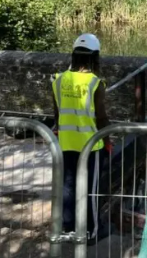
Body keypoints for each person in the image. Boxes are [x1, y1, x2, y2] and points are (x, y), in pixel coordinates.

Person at [52, 33, 111, 242]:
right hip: (91, 144)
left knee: (67, 186)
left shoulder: (58, 80)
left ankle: (67, 228)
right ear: (95, 57)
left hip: (65, 142)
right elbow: (101, 117)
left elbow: (57, 114)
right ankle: (92, 231)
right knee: (90, 190)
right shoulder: (95, 83)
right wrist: (108, 139)